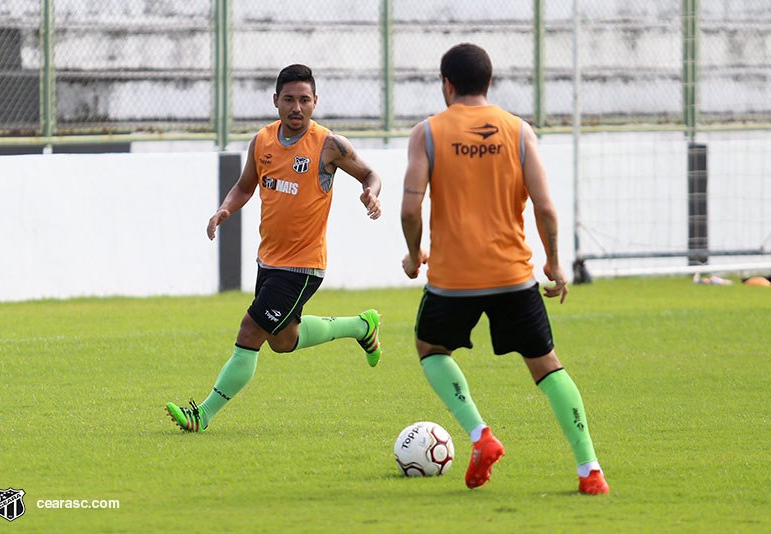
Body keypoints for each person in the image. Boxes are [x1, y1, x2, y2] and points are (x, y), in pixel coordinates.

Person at [400, 44, 609, 494]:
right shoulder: (518, 132)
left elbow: (409, 209)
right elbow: (546, 208)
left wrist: (413, 254)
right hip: (513, 275)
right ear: (489, 84)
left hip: (453, 279)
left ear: (447, 84)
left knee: (430, 346)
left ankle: (480, 435)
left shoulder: (428, 133)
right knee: (547, 367)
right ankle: (590, 470)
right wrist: (554, 262)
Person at [166, 64, 383, 433]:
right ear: (275, 101)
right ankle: (361, 326)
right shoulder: (262, 141)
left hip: (303, 266)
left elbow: (370, 174)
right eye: (289, 99)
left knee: (250, 330)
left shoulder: (329, 145)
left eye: (304, 99)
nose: (296, 107)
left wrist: (371, 193)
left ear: (315, 102)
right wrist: (224, 209)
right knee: (283, 341)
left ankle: (202, 414)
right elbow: (244, 186)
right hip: (268, 260)